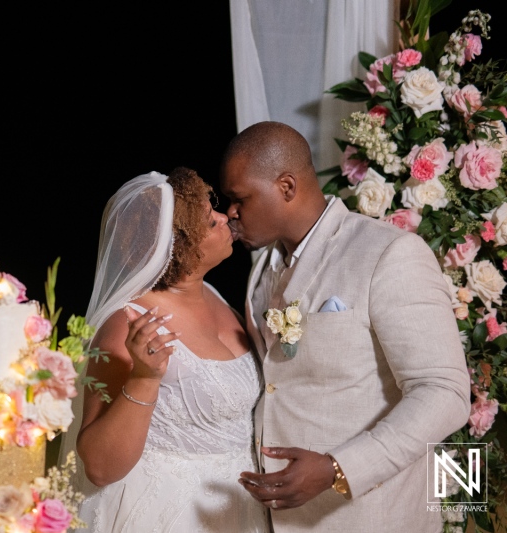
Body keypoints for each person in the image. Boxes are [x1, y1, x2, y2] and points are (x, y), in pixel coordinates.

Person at [219, 121, 470, 532]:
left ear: (286, 186)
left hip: (372, 517)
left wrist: (339, 468)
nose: (230, 213)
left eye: (239, 198)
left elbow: (445, 393)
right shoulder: (260, 272)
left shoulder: (387, 253)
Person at [73, 168, 269, 532]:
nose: (226, 217)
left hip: (236, 508)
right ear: (180, 248)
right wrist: (144, 378)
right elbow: (99, 467)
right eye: (211, 223)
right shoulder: (128, 324)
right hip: (166, 513)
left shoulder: (216, 297)